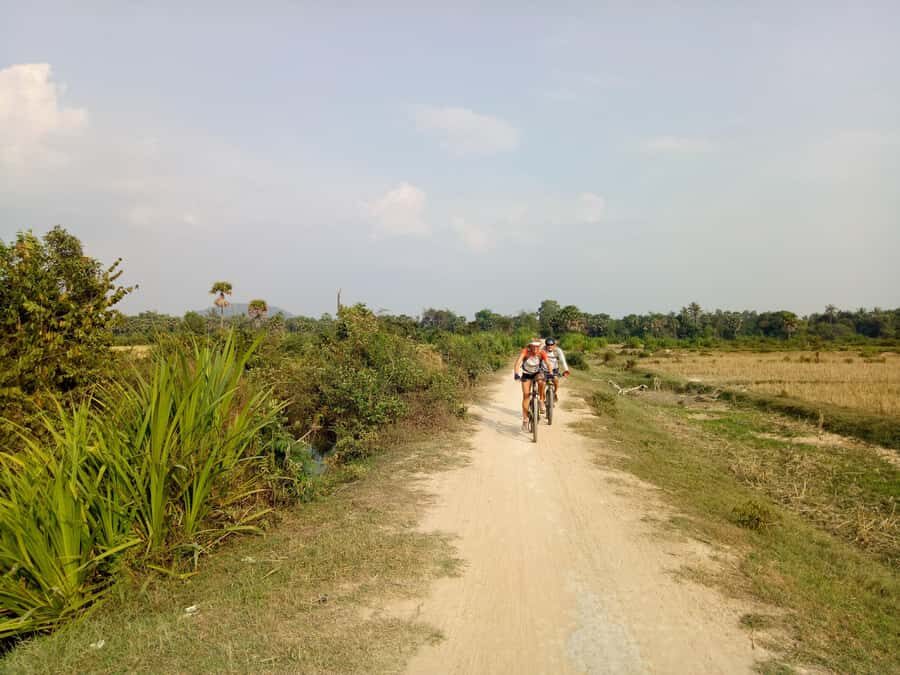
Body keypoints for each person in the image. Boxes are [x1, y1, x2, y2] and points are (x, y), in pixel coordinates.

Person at [513, 340, 551, 430]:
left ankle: (541, 400)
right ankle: (525, 419)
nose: (535, 348)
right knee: (526, 395)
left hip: (537, 373)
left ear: (539, 347)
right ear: (530, 346)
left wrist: (550, 372)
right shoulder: (525, 351)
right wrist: (516, 373)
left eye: (537, 346)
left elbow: (548, 363)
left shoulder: (541, 353)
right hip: (526, 374)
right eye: (533, 346)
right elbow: (518, 363)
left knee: (541, 381)